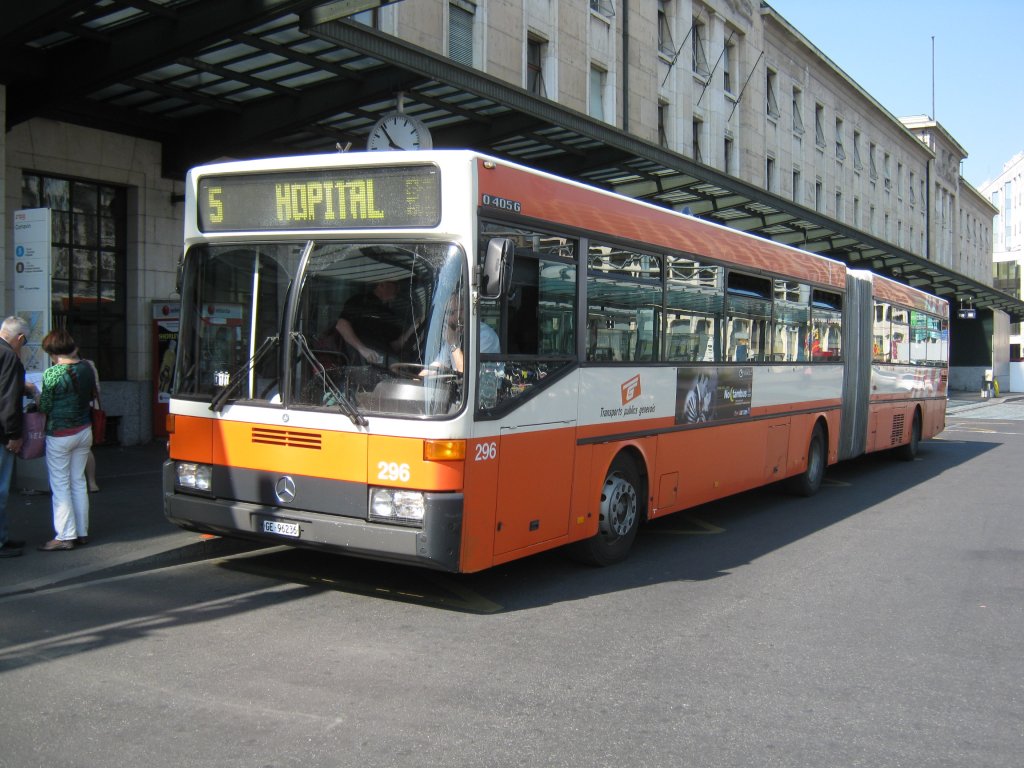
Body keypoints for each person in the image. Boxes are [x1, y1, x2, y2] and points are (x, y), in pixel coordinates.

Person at [36, 328, 96, 551]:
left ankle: (64, 535)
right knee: (78, 481)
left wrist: (35, 393)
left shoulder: (52, 374)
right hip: (84, 431)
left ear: (53, 353)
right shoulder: (87, 368)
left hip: (60, 434)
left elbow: (45, 406)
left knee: (60, 485)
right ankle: (81, 532)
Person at [0, 316, 30, 559]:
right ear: (19, 338)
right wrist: (14, 435)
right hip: (2, 434)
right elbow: (9, 400)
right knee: (0, 489)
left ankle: (3, 537)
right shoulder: (10, 357)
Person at [335, 280, 416, 365]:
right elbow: (341, 325)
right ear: (382, 285)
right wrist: (362, 349)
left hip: (383, 364)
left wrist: (412, 329)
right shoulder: (360, 301)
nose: (398, 288)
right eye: (395, 284)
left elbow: (394, 346)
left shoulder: (391, 313)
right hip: (358, 363)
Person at [82, 357, 101, 492]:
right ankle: (91, 482)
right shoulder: (89, 365)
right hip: (88, 409)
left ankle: (88, 481)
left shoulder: (57, 368)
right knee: (86, 449)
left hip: (72, 415)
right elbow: (96, 389)